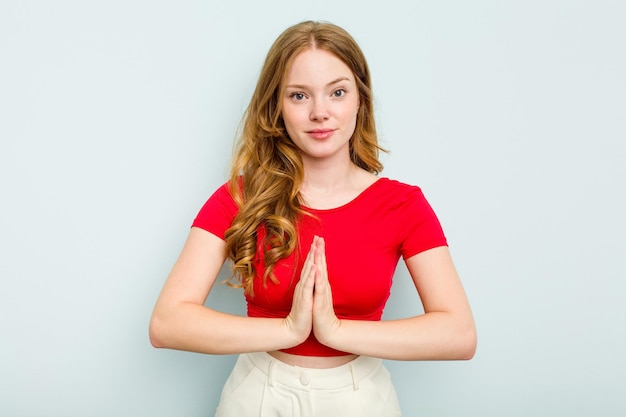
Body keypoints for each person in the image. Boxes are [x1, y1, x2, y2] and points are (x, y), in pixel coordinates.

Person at [149, 20, 476, 417]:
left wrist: (336, 331)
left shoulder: (402, 204)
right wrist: (288, 329)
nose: (320, 112)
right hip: (257, 396)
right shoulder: (239, 197)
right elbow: (167, 322)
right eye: (299, 95)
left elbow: (459, 334)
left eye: (337, 92)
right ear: (277, 106)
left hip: (362, 399)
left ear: (360, 99)